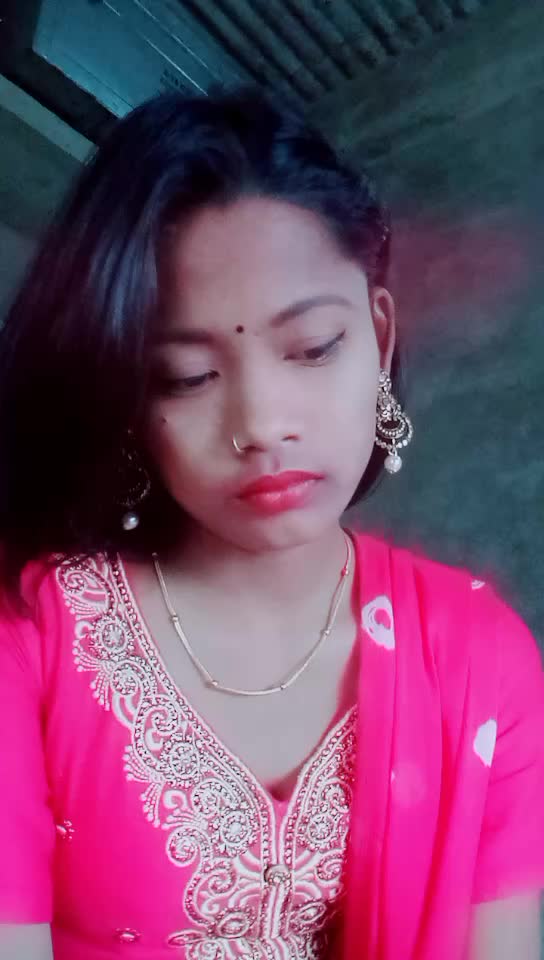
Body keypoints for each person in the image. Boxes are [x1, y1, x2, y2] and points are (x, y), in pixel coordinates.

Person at [0, 86, 542, 960]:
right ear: (129, 398)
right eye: (186, 376)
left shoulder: (482, 658)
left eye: (313, 348)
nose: (260, 423)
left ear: (378, 338)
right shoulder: (30, 635)